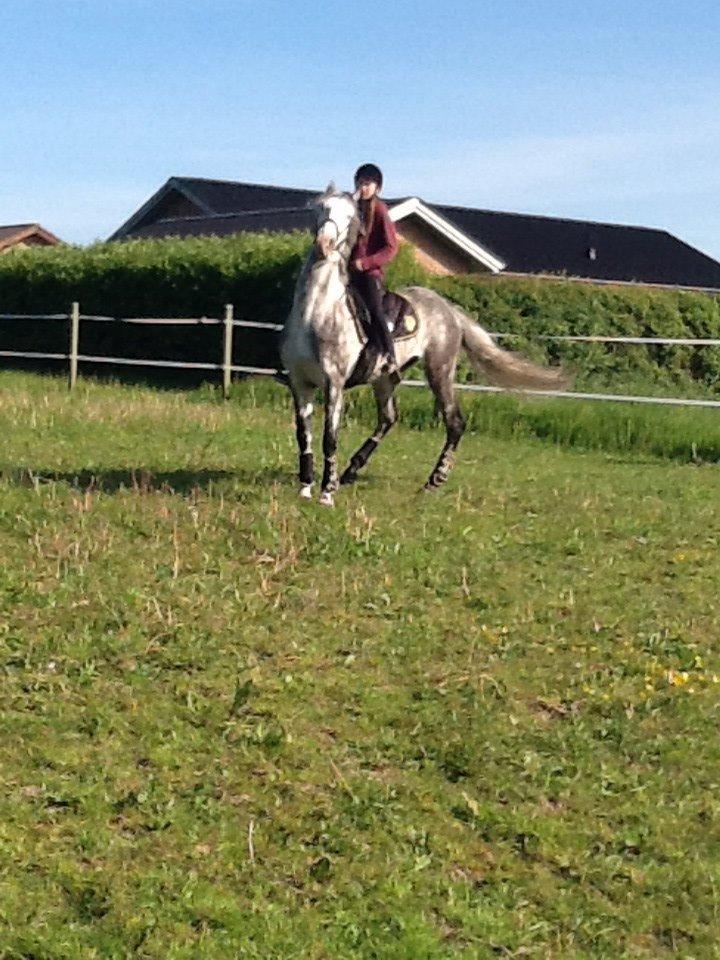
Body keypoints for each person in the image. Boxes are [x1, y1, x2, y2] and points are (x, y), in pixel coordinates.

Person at [350, 163, 399, 373]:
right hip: (348, 272)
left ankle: (390, 355)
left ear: (377, 188)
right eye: (360, 183)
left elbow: (391, 247)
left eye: (367, 183)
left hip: (369, 274)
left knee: (375, 311)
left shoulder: (379, 210)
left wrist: (366, 263)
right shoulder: (352, 209)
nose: (363, 188)